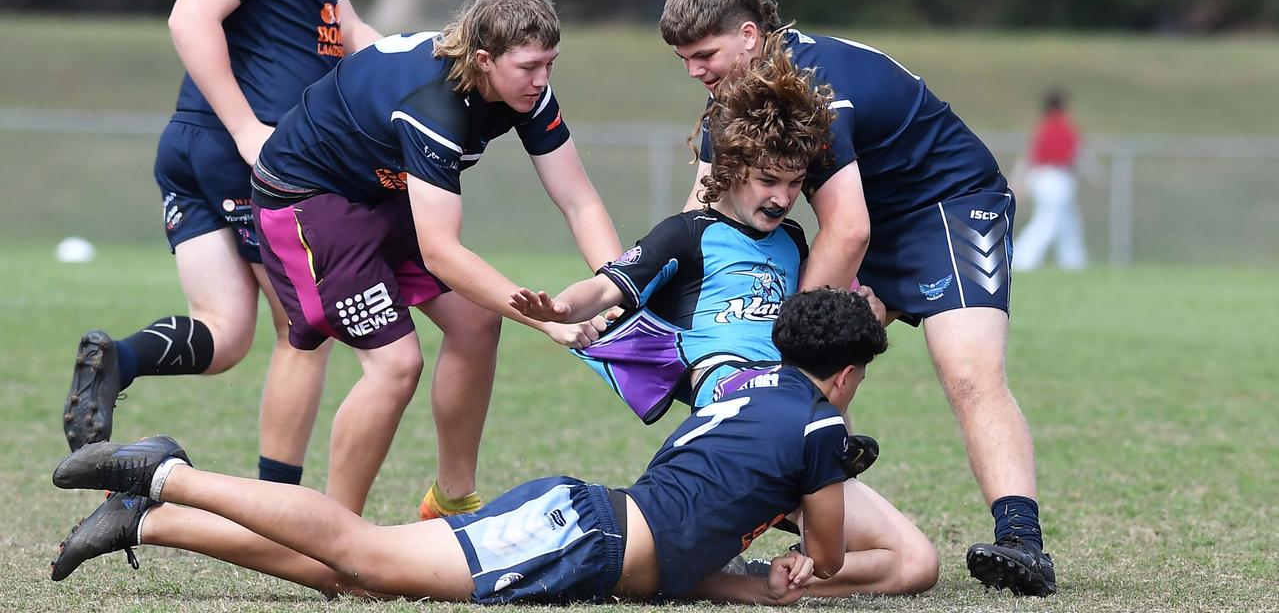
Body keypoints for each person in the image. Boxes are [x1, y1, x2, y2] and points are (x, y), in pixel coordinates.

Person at [51, 288, 883, 606]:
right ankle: (166, 473)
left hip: (589, 529)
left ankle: (145, 520)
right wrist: (808, 551)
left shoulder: (747, 392)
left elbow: (684, 547)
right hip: (581, 536)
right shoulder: (817, 427)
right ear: (844, 375)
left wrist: (752, 587)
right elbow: (833, 554)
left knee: (359, 574)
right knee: (363, 553)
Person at [658, 0, 1056, 596]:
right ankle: (775, 530)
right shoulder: (735, 100)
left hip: (947, 209)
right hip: (870, 223)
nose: (695, 71)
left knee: (966, 372)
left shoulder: (817, 87)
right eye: (684, 60)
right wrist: (653, 301)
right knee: (809, 390)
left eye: (704, 55)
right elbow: (700, 215)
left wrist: (785, 338)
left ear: (749, 35)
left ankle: (1020, 543)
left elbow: (847, 229)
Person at [510, 38, 938, 597]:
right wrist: (562, 309)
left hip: (793, 433)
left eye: (794, 183)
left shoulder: (791, 240)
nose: (784, 198)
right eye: (768, 180)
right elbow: (607, 284)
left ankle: (746, 580)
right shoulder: (689, 234)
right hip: (737, 435)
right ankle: (715, 563)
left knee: (915, 564)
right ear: (732, 167)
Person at [247, 0, 620, 516]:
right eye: (528, 67)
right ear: (484, 58)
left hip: (378, 189)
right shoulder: (435, 106)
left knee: (477, 321)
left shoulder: (524, 91)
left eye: (550, 64)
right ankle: (335, 540)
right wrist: (547, 319)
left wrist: (621, 283)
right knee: (396, 365)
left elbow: (579, 201)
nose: (542, 80)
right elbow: (441, 250)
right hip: (309, 199)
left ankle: (451, 503)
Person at [62, 0, 382, 495]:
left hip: (193, 148)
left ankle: (118, 361)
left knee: (227, 331)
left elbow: (353, 32)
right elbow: (188, 17)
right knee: (303, 331)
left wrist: (426, 66)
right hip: (245, 154)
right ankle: (278, 507)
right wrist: (246, 132)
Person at [1012, 90, 1087, 271]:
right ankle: (1023, 259)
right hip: (1056, 179)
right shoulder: (1064, 127)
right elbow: (1075, 156)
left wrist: (1020, 181)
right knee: (1046, 222)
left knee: (1068, 222)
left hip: (1041, 177)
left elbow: (1030, 156)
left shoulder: (1043, 127)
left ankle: (1073, 262)